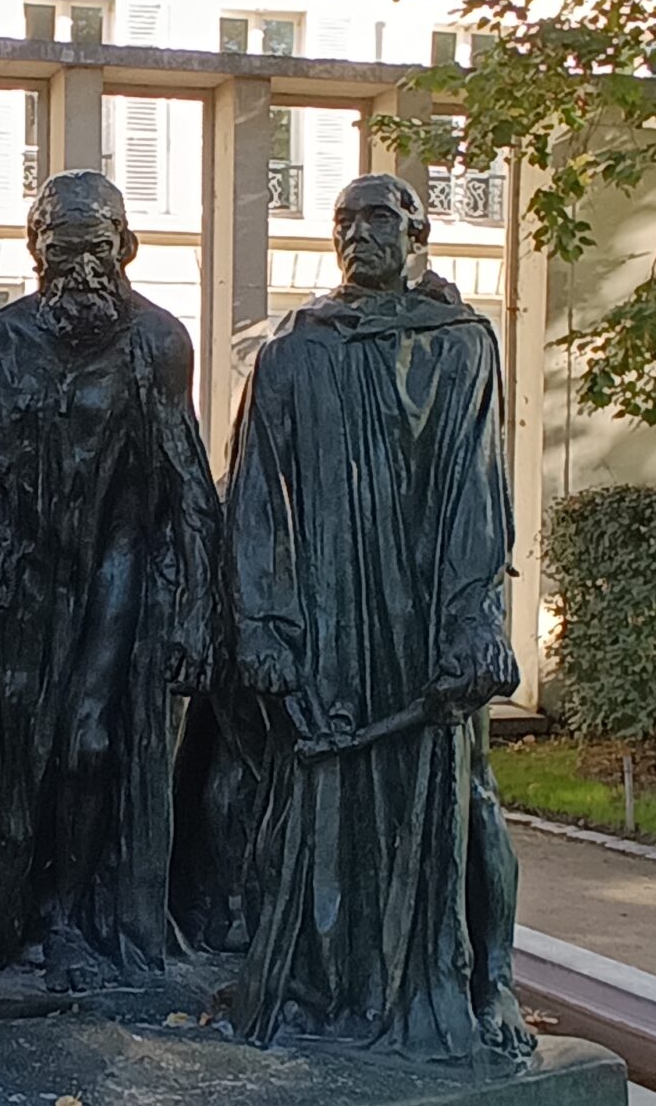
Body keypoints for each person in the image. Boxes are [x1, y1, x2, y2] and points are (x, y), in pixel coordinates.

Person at [225, 173, 534, 1064]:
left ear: (418, 234)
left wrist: (474, 619)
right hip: (330, 618)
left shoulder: (463, 345)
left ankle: (489, 979)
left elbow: (480, 488)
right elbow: (256, 497)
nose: (359, 234)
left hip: (433, 616)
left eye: (379, 218)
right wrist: (264, 623)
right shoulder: (294, 351)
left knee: (467, 800)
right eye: (344, 221)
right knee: (311, 802)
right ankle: (325, 980)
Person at [0, 169, 220, 991]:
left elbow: (188, 487)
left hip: (114, 564)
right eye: (60, 252)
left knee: (89, 739)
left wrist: (197, 611)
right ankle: (3, 918)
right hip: (12, 579)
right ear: (35, 252)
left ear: (126, 247)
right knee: (6, 759)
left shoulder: (158, 342)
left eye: (94, 249)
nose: (78, 270)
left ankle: (73, 918)